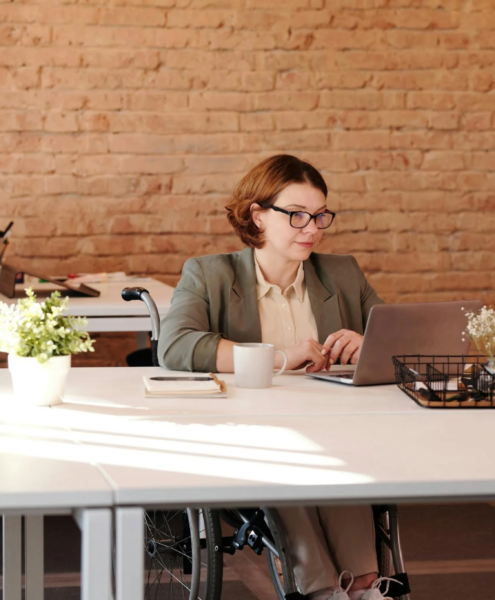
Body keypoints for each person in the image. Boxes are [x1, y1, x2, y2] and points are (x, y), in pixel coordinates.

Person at [159, 155, 391, 600]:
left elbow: (394, 340)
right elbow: (176, 346)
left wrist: (367, 343)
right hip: (249, 434)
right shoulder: (210, 274)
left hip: (334, 429)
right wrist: (280, 356)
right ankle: (323, 588)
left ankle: (363, 585)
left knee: (336, 459)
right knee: (291, 461)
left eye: (320, 215)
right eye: (298, 215)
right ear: (258, 215)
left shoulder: (341, 273)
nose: (313, 228)